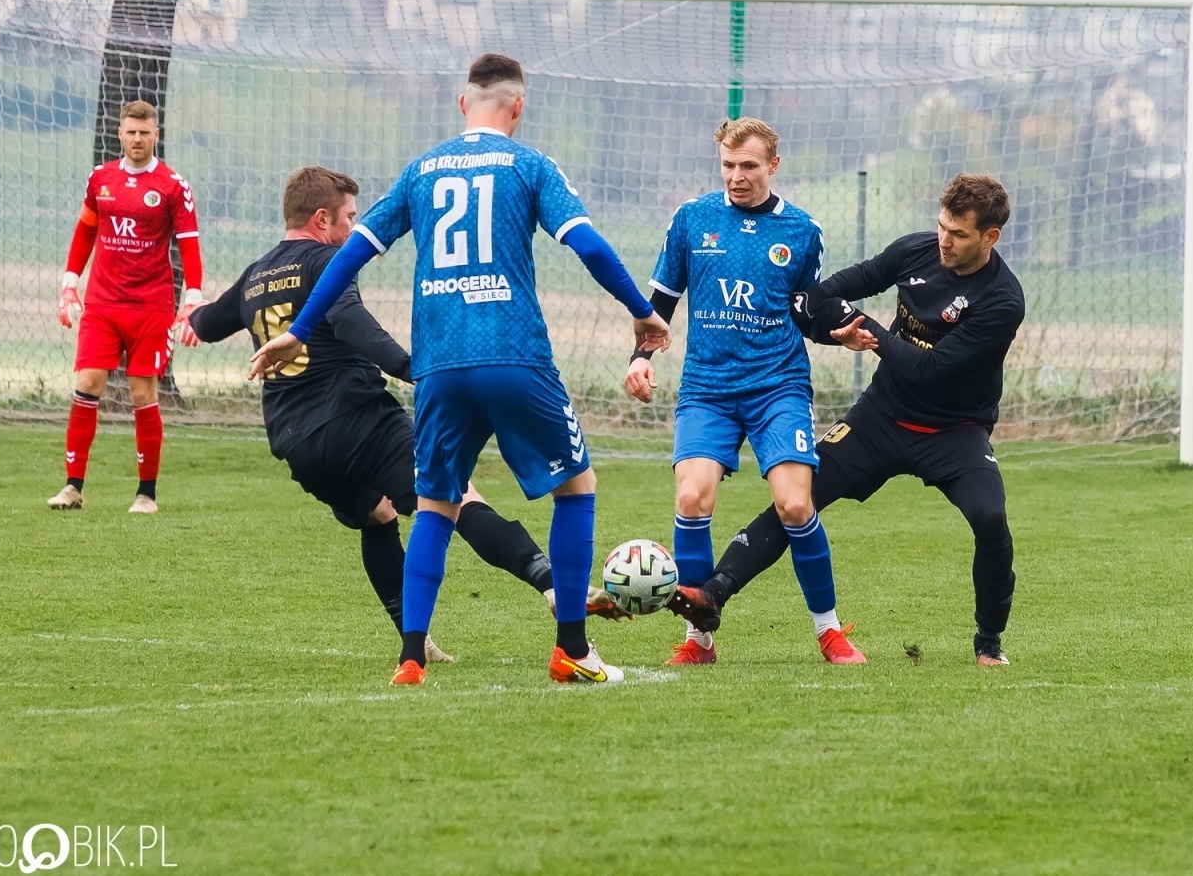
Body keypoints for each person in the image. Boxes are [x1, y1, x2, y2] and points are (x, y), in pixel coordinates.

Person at [250, 54, 669, 687]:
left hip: (438, 368)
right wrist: (642, 313)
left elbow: (349, 258)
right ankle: (573, 651)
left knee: (437, 503)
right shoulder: (529, 165)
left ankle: (411, 657)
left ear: (461, 103)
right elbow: (586, 243)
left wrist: (299, 330)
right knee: (575, 487)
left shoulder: (421, 171)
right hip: (513, 355)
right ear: (518, 107)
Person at [184, 166, 624, 661]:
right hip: (358, 420)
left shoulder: (256, 275)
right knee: (456, 499)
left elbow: (208, 322)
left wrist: (189, 315)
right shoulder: (327, 260)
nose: (352, 227)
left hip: (296, 442)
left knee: (378, 515)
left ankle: (418, 643)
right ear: (323, 218)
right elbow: (349, 320)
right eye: (350, 217)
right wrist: (415, 368)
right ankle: (549, 584)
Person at [668, 173, 1025, 666]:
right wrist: (829, 317)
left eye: (959, 234)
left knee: (990, 518)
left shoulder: (1003, 300)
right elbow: (828, 291)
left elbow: (929, 370)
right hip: (882, 417)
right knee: (797, 502)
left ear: (990, 237)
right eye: (942, 226)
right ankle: (712, 595)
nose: (944, 240)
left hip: (955, 431)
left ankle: (988, 643)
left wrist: (868, 329)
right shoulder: (915, 251)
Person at [624, 118, 864, 666]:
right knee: (691, 497)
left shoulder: (802, 231)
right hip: (708, 387)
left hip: (777, 386)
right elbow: (659, 304)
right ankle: (698, 639)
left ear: (772, 166)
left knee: (796, 504)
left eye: (749, 166)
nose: (737, 176)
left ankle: (829, 632)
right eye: (729, 166)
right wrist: (640, 358)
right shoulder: (692, 219)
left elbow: (807, 312)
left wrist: (837, 334)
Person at [48, 100, 202, 514]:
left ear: (156, 134)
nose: (137, 139)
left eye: (144, 132)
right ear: (120, 133)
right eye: (131, 132)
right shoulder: (101, 179)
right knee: (87, 384)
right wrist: (69, 284)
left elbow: (189, 245)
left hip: (150, 306)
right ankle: (72, 487)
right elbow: (85, 231)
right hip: (102, 302)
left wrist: (192, 300)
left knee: (141, 392)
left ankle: (146, 494)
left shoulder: (173, 186)